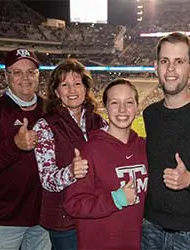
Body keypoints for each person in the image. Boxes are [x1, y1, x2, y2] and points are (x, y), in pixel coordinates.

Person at [64, 78, 148, 250]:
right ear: (106, 108)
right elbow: (73, 204)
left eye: (129, 102)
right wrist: (116, 199)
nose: (122, 109)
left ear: (137, 106)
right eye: (115, 102)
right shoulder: (90, 150)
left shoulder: (144, 147)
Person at [33, 59, 107, 250]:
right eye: (65, 85)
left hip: (95, 212)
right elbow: (47, 179)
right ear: (57, 92)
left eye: (77, 83)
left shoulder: (98, 122)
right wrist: (71, 172)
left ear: (86, 88)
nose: (72, 90)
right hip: (64, 219)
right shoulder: (44, 126)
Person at [141, 32, 190, 250]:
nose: (171, 69)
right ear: (156, 66)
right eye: (165, 61)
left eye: (179, 61)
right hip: (149, 229)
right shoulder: (150, 115)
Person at [0, 48, 51, 249]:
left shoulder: (50, 110)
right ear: (7, 76)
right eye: (18, 72)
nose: (25, 78)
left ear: (38, 75)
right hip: (5, 219)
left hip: (43, 217)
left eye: (31, 72)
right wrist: (14, 145)